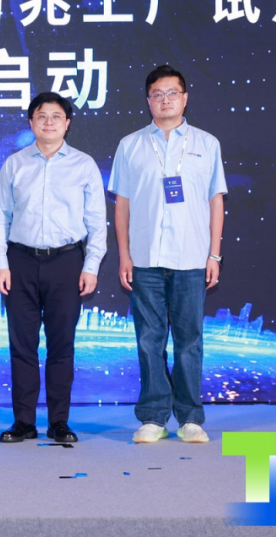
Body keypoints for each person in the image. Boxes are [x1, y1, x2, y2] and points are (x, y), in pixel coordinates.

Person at [109, 65, 226, 444]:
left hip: (192, 258)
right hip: (145, 259)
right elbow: (122, 205)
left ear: (185, 98)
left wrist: (214, 255)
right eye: (157, 94)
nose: (165, 100)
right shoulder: (130, 145)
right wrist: (124, 256)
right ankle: (153, 417)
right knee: (149, 340)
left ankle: (190, 418)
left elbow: (215, 201)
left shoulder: (207, 144)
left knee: (189, 340)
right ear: (148, 101)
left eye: (172, 93)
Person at [0, 92, 107, 444]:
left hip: (67, 262)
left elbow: (96, 221)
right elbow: (0, 217)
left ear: (67, 123)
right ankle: (23, 422)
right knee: (22, 346)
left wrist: (91, 265)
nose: (49, 122)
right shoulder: (15, 164)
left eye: (56, 116)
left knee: (61, 346)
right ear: (31, 122)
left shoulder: (84, 165)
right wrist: (0, 263)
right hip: (20, 262)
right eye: (42, 116)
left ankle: (59, 423)